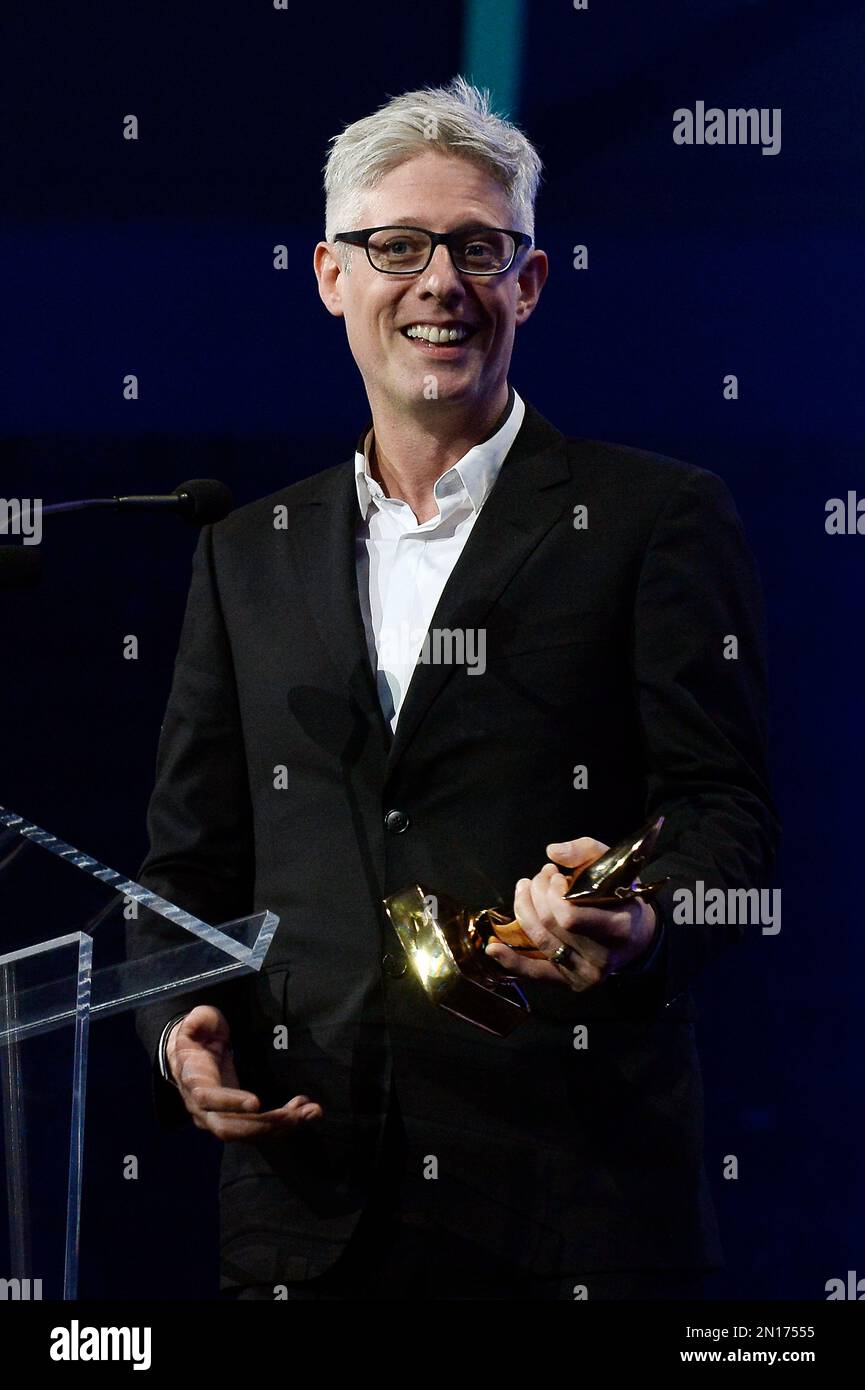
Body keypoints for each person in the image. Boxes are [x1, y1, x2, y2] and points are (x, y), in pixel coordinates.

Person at [129, 77, 779, 1301]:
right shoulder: (242, 552)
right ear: (332, 275)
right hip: (303, 1211)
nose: (439, 281)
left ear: (527, 282)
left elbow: (727, 822)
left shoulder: (654, 519)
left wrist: (643, 924)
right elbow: (186, 866)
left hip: (572, 1203)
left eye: (478, 247)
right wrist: (177, 1032)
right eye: (398, 246)